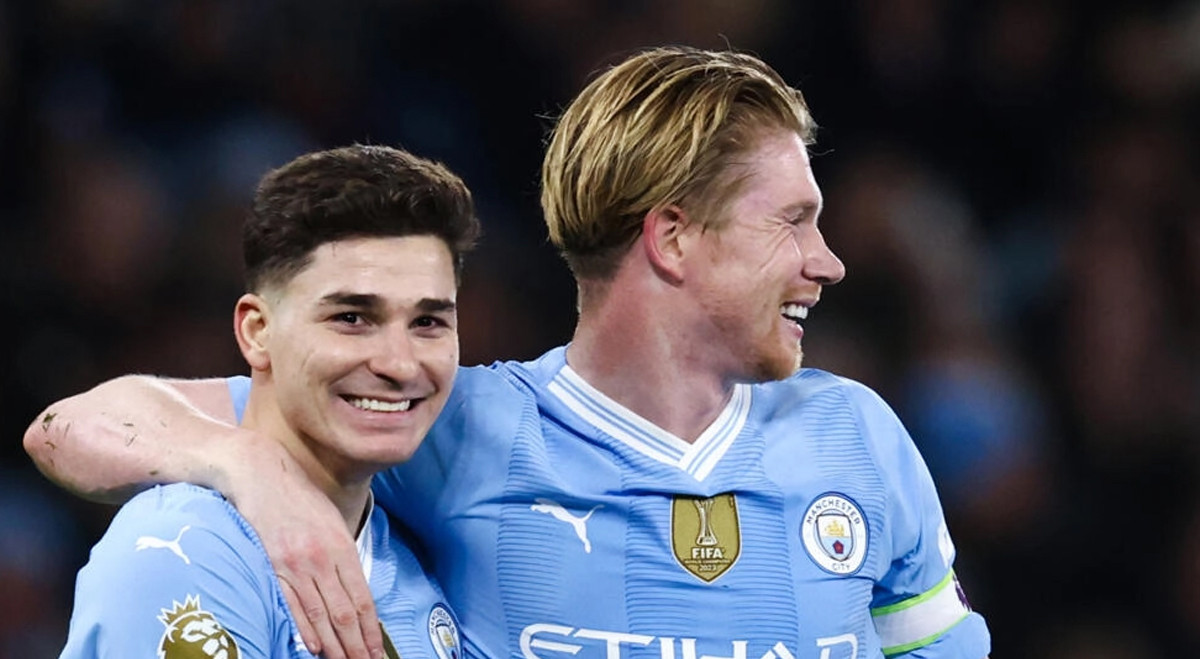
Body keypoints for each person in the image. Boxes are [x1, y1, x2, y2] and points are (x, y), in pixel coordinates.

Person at [27, 47, 991, 659]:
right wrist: (246, 464)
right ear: (675, 239)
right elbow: (72, 426)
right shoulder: (450, 427)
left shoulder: (858, 438)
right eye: (792, 222)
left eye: (429, 319)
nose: (828, 261)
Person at [49, 143, 479, 658]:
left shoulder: (412, 565)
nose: (401, 364)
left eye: (428, 322)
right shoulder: (189, 546)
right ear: (257, 332)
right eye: (351, 318)